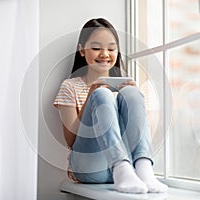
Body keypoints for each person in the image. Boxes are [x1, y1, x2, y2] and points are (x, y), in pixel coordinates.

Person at [53, 18, 168, 194]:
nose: (104, 54)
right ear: (82, 50)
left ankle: (144, 168)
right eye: (96, 48)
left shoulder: (125, 87)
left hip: (131, 168)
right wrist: (92, 96)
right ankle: (120, 166)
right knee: (102, 94)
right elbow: (71, 140)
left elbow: (140, 135)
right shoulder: (70, 86)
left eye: (111, 48)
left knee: (132, 94)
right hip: (90, 167)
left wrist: (133, 100)